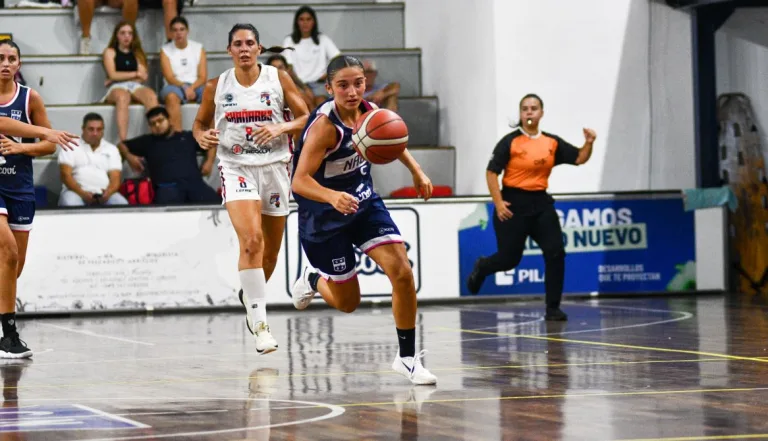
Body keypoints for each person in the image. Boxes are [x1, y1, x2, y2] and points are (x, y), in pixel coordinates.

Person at [289, 55, 437, 386]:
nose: (352, 91)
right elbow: (298, 181)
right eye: (342, 85)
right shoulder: (325, 128)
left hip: (362, 202)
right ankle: (314, 279)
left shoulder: (371, 113)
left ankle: (407, 358)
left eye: (357, 83)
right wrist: (330, 196)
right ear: (329, 88)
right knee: (348, 303)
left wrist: (416, 170)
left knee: (402, 271)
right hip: (323, 215)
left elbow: (392, 139)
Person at [193, 24, 310, 354]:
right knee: (252, 240)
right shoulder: (216, 86)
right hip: (236, 167)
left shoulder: (277, 79)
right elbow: (199, 124)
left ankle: (249, 297)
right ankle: (260, 325)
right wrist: (200, 136)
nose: (244, 49)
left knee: (269, 254)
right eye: (237, 44)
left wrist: (281, 126)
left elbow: (306, 117)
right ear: (229, 50)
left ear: (259, 48)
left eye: (250, 43)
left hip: (275, 168)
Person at [466, 93, 596, 321]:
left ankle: (552, 307)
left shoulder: (551, 142)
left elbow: (579, 158)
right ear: (520, 113)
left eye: (533, 108)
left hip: (540, 204)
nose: (529, 112)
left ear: (541, 113)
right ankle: (483, 266)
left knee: (555, 252)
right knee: (510, 259)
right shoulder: (510, 142)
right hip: (512, 204)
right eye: (525, 108)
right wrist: (498, 203)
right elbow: (491, 172)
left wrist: (589, 142)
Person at [0, 40, 77, 359]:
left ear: (19, 64)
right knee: (7, 250)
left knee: (12, 267)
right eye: (0, 58)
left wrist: (23, 147)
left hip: (20, 185)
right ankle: (9, 335)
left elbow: (49, 147)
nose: (5, 63)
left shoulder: (31, 97)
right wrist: (45, 133)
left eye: (11, 58)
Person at [120, 106, 219, 205]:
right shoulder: (147, 141)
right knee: (166, 213)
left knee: (219, 206)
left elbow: (211, 141)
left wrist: (209, 162)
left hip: (195, 185)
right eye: (153, 124)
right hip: (167, 187)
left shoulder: (187, 137)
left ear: (169, 120)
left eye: (160, 120)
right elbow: (121, 145)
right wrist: (129, 157)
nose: (157, 125)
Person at [102, 20, 159, 142]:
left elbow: (143, 77)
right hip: (117, 86)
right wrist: (134, 73)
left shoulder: (137, 53)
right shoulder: (110, 52)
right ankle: (123, 141)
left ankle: (157, 136)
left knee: (151, 96)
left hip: (135, 86)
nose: (126, 36)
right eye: (122, 33)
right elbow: (112, 74)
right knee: (123, 97)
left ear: (133, 36)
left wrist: (119, 76)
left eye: (129, 33)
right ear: (116, 35)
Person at [58, 112, 128, 207]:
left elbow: (115, 178)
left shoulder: (112, 149)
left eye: (99, 129)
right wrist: (83, 193)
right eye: (91, 129)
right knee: (71, 204)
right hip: (75, 192)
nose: (95, 133)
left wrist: (108, 193)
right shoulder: (70, 146)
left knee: (122, 205)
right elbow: (65, 176)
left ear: (103, 131)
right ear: (83, 129)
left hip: (103, 194)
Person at [281, 5, 341, 106]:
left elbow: (338, 59)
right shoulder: (289, 41)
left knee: (321, 108)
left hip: (320, 84)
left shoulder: (322, 39)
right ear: (297, 22)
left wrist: (327, 74)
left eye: (308, 19)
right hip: (298, 84)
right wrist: (304, 88)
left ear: (314, 22)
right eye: (301, 19)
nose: (305, 23)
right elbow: (289, 70)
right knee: (306, 108)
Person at [160, 16, 207, 131]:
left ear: (187, 31)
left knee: (211, 95)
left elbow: (203, 76)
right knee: (171, 97)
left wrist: (191, 87)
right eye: (175, 30)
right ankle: (178, 139)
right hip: (174, 85)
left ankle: (208, 140)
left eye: (182, 29)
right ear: (170, 33)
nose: (178, 33)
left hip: (196, 84)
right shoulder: (165, 50)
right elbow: (169, 77)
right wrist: (184, 87)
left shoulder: (198, 48)